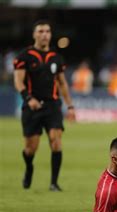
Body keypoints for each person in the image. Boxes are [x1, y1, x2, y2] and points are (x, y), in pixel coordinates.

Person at [13, 20, 75, 191]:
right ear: (34, 34)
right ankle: (29, 167)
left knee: (56, 141)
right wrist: (28, 99)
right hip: (32, 107)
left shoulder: (56, 57)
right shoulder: (24, 56)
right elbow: (18, 81)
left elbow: (62, 84)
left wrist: (70, 106)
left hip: (53, 106)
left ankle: (54, 183)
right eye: (40, 31)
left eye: (47, 31)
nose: (44, 34)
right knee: (30, 149)